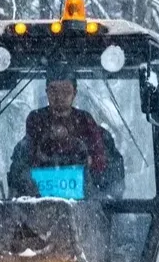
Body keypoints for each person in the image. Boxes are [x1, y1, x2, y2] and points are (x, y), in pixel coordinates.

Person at [7, 70, 125, 198]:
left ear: (74, 93)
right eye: (53, 90)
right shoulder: (36, 123)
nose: (59, 97)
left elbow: (105, 168)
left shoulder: (87, 124)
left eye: (66, 91)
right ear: (47, 92)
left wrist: (88, 162)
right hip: (37, 206)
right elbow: (22, 170)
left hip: (87, 205)